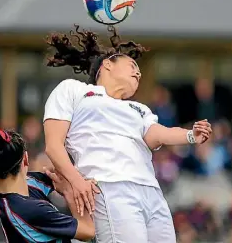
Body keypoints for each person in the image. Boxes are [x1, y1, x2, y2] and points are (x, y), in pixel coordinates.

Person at [43, 25, 213, 242]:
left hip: (152, 193)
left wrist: (190, 136)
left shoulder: (139, 109)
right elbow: (53, 146)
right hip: (110, 187)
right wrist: (77, 182)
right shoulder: (73, 90)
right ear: (107, 65)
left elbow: (158, 134)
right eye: (132, 65)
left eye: (139, 70)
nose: (138, 72)